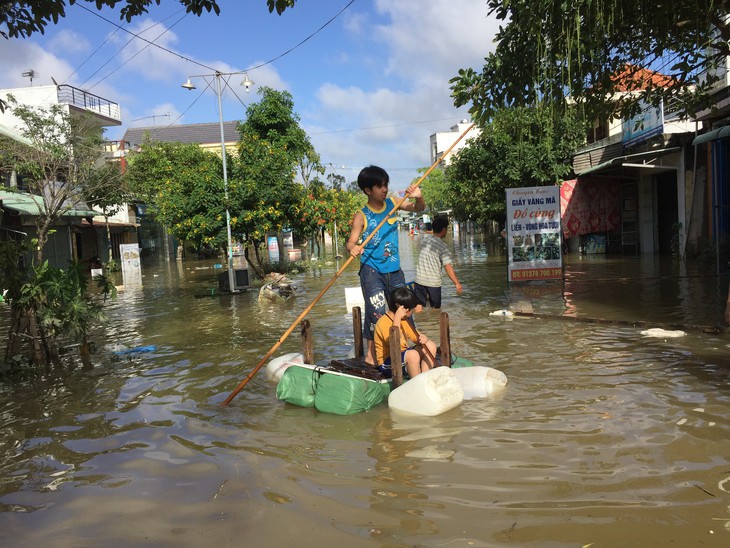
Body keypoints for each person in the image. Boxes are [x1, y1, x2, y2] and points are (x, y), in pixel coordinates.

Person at [346, 165, 426, 365]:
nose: (384, 189)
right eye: (380, 186)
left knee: (405, 308)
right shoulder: (361, 215)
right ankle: (373, 356)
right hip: (372, 271)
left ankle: (407, 348)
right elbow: (350, 241)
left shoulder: (393, 203)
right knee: (377, 312)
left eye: (386, 185)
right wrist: (353, 248)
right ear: (367, 190)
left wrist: (418, 196)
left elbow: (418, 208)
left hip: (395, 271)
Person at [374, 287, 437, 378]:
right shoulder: (383, 322)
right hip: (388, 362)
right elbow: (394, 344)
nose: (412, 312)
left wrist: (422, 338)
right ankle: (417, 383)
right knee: (412, 354)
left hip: (404, 355)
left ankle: (425, 377)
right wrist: (397, 319)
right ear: (404, 309)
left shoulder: (404, 320)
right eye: (411, 309)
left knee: (430, 345)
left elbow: (414, 336)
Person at [413, 215, 462, 309]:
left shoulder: (425, 240)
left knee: (418, 306)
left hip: (419, 280)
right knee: (435, 309)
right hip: (433, 283)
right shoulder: (443, 247)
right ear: (444, 230)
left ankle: (419, 323)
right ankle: (435, 323)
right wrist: (457, 283)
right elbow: (448, 267)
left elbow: (429, 233)